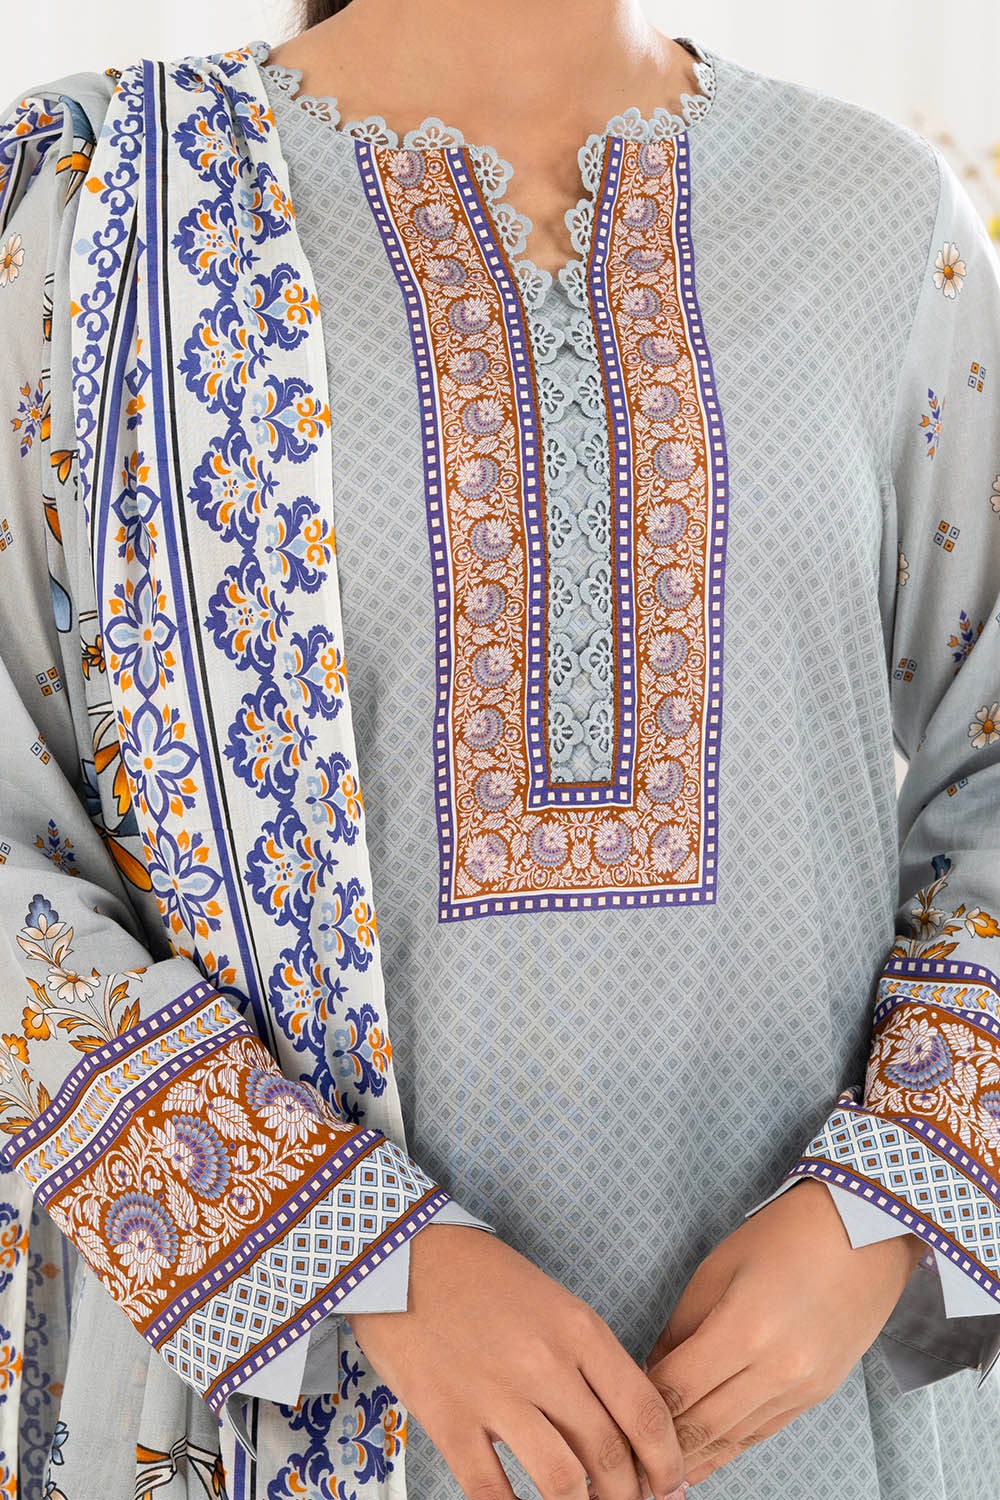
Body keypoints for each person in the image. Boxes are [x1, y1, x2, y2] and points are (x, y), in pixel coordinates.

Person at [2, 0, 1000, 1496]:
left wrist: (888, 1204)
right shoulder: (93, 213)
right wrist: (355, 1253)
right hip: (294, 1379)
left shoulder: (877, 212)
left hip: (802, 1399)